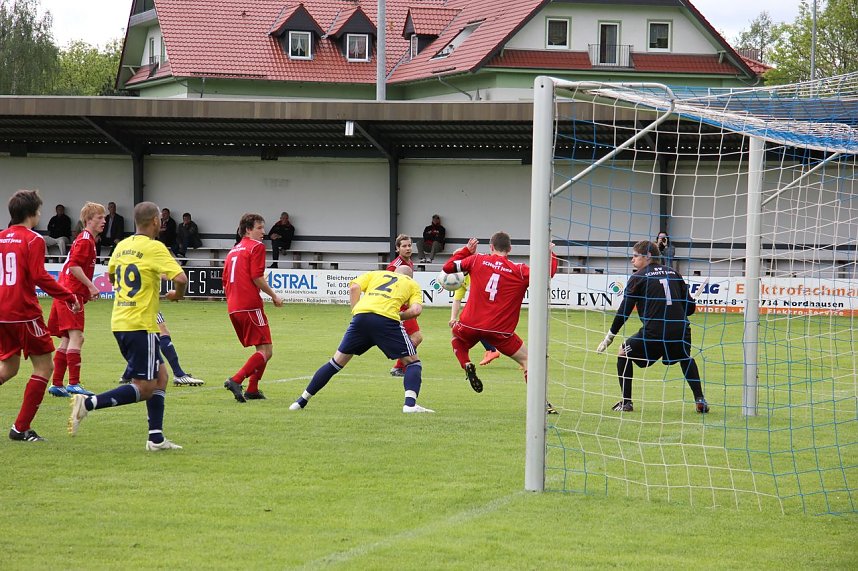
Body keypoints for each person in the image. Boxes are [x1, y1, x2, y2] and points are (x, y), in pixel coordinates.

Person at [68, 201, 188, 451]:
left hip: (121, 320)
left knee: (161, 377)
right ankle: (87, 404)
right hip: (141, 324)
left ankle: (156, 438)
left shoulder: (122, 246)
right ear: (155, 221)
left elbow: (112, 276)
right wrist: (176, 295)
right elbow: (180, 278)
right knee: (145, 388)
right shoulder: (155, 247)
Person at [289, 265, 433, 413]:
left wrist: (355, 310)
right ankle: (410, 405)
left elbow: (354, 288)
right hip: (386, 321)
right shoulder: (411, 283)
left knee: (335, 362)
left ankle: (300, 401)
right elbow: (416, 310)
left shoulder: (376, 274)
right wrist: (400, 316)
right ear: (410, 276)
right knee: (413, 363)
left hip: (361, 318)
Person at [441, 232, 558, 410]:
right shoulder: (520, 270)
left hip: (470, 324)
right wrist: (550, 254)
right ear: (510, 249)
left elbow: (448, 267)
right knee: (529, 361)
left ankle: (466, 363)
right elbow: (548, 274)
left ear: (491, 247)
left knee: (457, 339)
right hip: (500, 331)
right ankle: (541, 404)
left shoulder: (476, 260)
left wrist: (466, 251)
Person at [1, 190, 81, 442]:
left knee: (9, 368)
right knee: (44, 367)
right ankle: (20, 428)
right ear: (32, 213)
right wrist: (69, 296)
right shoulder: (33, 239)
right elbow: (39, 276)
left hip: (2, 312)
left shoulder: (1, 238)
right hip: (23, 312)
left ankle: (21, 428)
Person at [595, 239, 709, 414]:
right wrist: (691, 301)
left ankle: (626, 402)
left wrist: (610, 336)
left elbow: (624, 311)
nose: (632, 260)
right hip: (680, 331)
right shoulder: (674, 273)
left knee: (623, 352)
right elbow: (690, 310)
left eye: (635, 256)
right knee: (685, 358)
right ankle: (700, 399)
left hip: (654, 332)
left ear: (647, 256)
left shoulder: (638, 277)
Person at [47, 202, 106, 398]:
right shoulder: (85, 241)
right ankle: (73, 383)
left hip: (65, 292)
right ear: (88, 220)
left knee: (67, 338)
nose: (104, 221)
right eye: (100, 218)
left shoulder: (87, 239)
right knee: (77, 337)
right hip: (70, 294)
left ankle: (57, 384)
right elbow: (73, 266)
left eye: (104, 218)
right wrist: (91, 286)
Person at [223, 213, 284, 402]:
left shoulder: (233, 251)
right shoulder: (256, 247)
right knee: (265, 351)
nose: (263, 232)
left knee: (265, 349)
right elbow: (257, 277)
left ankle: (252, 389)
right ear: (248, 230)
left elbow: (225, 281)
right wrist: (274, 295)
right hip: (249, 305)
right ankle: (236, 380)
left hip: (234, 307)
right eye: (259, 228)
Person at [118, 312, 205, 387]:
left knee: (145, 338)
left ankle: (127, 375)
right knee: (163, 332)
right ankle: (179, 374)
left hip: (126, 309)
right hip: (145, 305)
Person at [386, 234, 421, 377]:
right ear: (397, 248)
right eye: (404, 246)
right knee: (416, 337)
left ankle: (400, 366)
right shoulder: (394, 266)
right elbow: (388, 288)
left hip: (406, 307)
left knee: (415, 338)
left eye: (409, 245)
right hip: (398, 308)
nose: (408, 248)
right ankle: (400, 366)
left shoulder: (409, 262)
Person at [449, 275, 500, 367]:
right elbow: (457, 300)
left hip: (495, 304)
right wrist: (453, 318)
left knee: (477, 327)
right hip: (484, 308)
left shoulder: (476, 274)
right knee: (478, 327)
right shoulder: (461, 280)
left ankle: (491, 350)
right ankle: (491, 350)